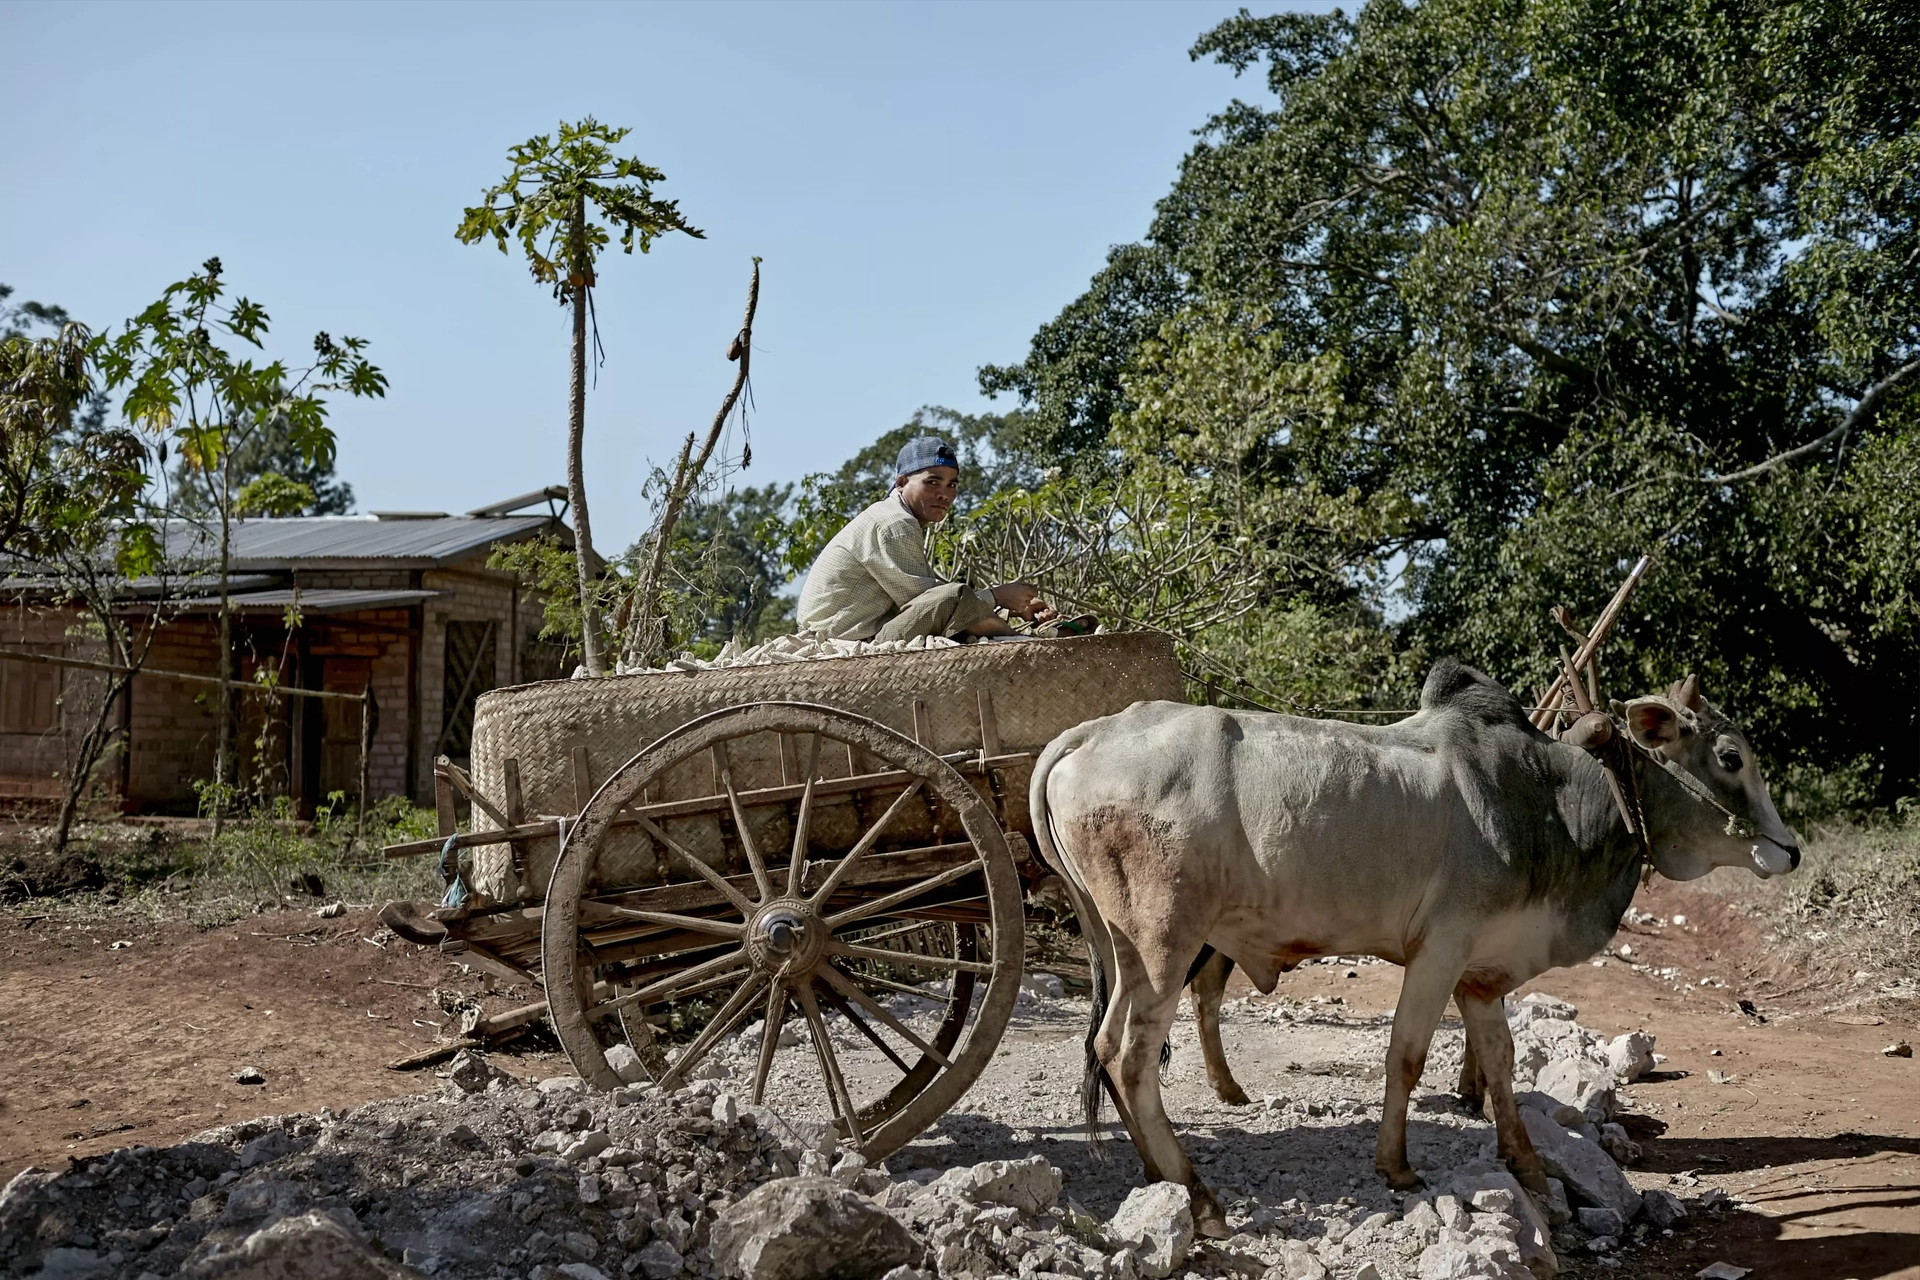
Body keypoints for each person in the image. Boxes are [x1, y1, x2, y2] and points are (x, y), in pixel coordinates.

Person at [796, 436, 1073, 642]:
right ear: (902, 483)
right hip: (843, 644)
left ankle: (1023, 634)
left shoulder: (897, 518)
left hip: (867, 631)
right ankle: (1027, 642)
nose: (945, 494)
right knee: (951, 595)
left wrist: (1010, 608)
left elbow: (931, 605)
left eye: (951, 484)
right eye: (932, 482)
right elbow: (937, 603)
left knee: (953, 598)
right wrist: (998, 596)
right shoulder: (894, 523)